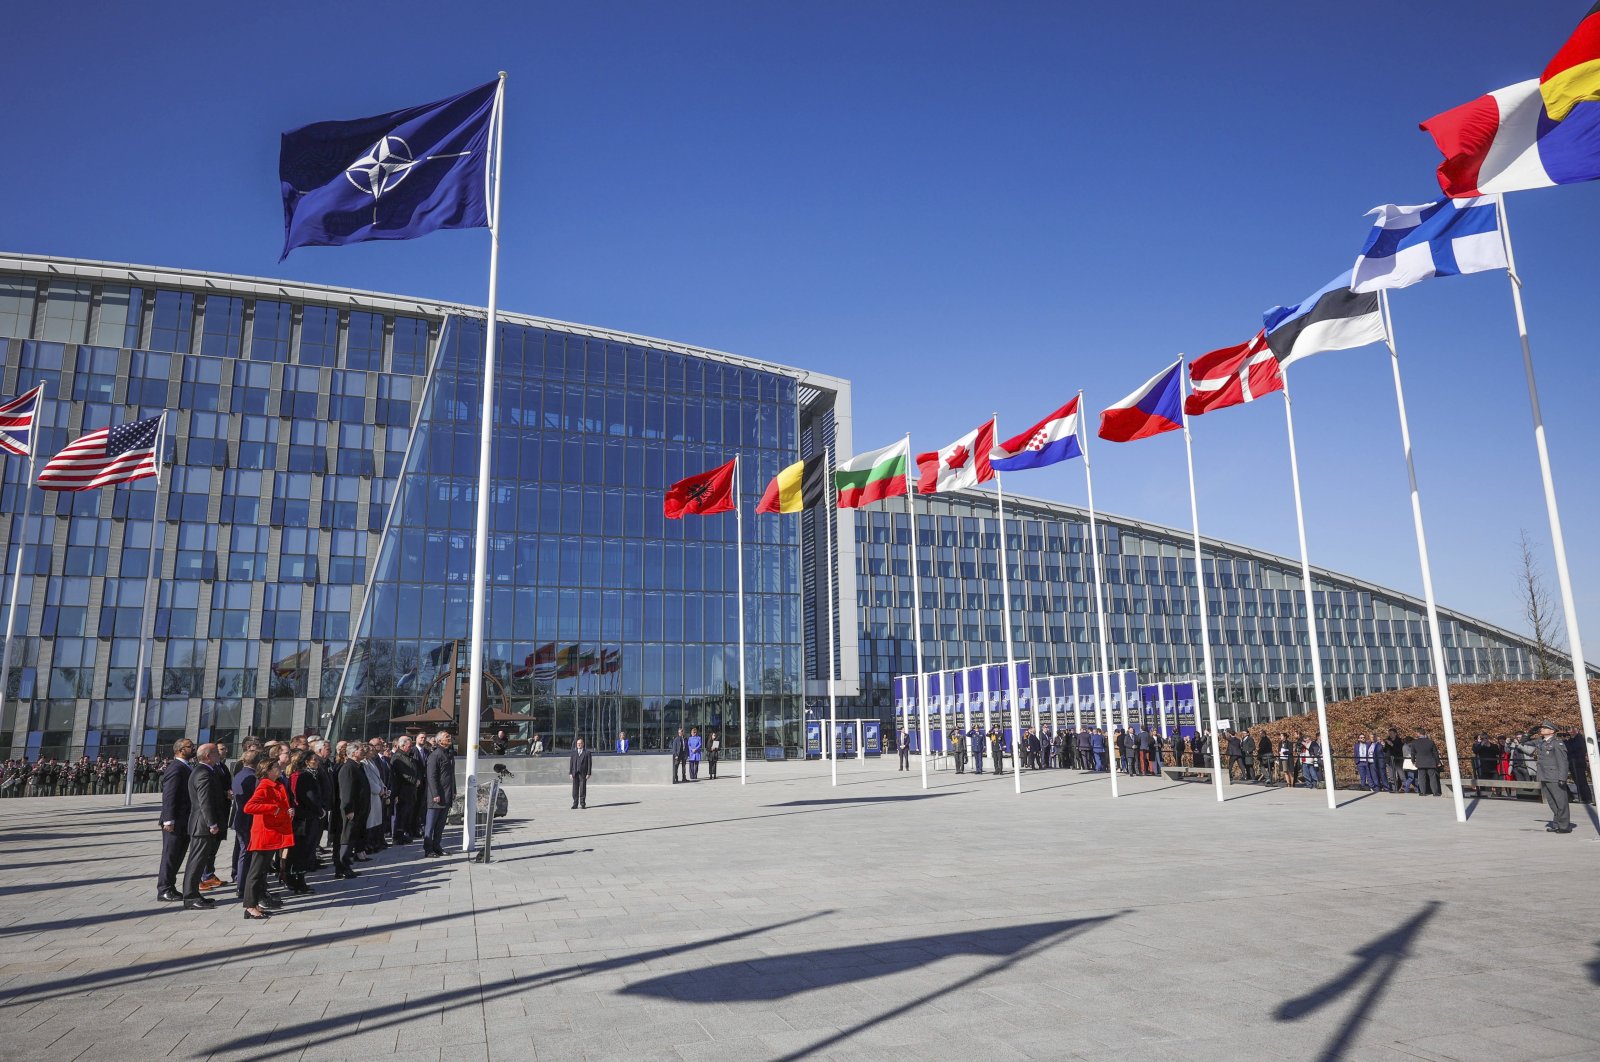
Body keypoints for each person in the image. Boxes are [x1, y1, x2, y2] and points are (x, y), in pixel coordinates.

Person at [241, 757, 294, 920]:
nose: (280, 768)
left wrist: (287, 811)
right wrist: (274, 809)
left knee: (262, 871)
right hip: (264, 834)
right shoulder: (264, 785)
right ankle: (250, 906)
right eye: (276, 767)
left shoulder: (276, 784)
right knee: (256, 872)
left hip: (272, 833)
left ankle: (255, 904)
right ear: (268, 770)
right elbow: (249, 807)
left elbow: (280, 805)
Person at [181, 743, 228, 910]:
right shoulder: (202, 773)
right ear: (207, 756)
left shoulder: (207, 771)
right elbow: (204, 801)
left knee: (199, 861)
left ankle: (194, 894)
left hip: (203, 824)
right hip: (202, 824)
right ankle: (190, 897)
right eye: (215, 752)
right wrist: (212, 823)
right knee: (196, 861)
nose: (219, 755)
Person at [156, 739, 195, 903]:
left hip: (183, 820)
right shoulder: (176, 768)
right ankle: (164, 889)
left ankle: (170, 887)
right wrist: (168, 820)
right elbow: (169, 795)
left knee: (178, 856)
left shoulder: (186, 766)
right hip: (174, 821)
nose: (193, 749)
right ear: (179, 750)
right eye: (189, 747)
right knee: (170, 856)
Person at [336, 743, 371, 876]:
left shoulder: (357, 766)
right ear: (353, 752)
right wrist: (348, 809)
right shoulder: (348, 768)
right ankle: (343, 867)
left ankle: (346, 866)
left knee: (352, 838)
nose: (363, 752)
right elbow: (346, 791)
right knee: (347, 838)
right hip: (351, 811)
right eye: (361, 750)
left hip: (360, 809)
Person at [1533, 721, 1572, 833]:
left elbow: (1563, 762)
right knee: (1552, 802)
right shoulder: (1541, 742)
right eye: (1542, 728)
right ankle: (1556, 824)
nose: (1542, 729)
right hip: (1544, 776)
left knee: (1561, 802)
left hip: (1555, 776)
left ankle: (1564, 826)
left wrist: (1562, 778)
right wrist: (1528, 735)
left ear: (1552, 731)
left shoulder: (1557, 743)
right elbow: (1525, 743)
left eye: (1545, 728)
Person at [423, 730, 456, 857]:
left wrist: (453, 791)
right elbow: (431, 777)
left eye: (449, 736)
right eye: (446, 737)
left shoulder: (448, 754)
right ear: (439, 740)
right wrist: (435, 793)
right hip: (436, 797)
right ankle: (428, 849)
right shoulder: (435, 755)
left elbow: (451, 776)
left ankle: (437, 846)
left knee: (440, 825)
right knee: (430, 825)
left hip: (447, 795)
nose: (449, 738)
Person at [390, 736, 421, 844]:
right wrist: (414, 781)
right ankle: (397, 836)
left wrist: (417, 779)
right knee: (401, 814)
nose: (411, 748)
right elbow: (403, 773)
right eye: (409, 746)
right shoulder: (398, 757)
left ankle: (403, 834)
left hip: (410, 791)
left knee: (407, 814)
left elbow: (414, 770)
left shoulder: (408, 756)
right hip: (402, 791)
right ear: (402, 746)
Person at [1412, 728, 1441, 797]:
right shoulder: (1430, 742)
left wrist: (1413, 761)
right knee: (1432, 777)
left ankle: (1422, 792)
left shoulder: (1414, 742)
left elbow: (1412, 753)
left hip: (1420, 761)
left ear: (1419, 733)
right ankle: (1435, 792)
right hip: (1430, 761)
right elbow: (1435, 753)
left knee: (1421, 777)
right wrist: (1438, 761)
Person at [569, 737, 592, 809]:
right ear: (576, 744)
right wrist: (570, 773)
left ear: (583, 744)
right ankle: (575, 804)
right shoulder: (573, 753)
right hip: (575, 773)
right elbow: (571, 763)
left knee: (582, 789)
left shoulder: (587, 753)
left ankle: (582, 804)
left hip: (583, 774)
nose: (579, 745)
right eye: (578, 743)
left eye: (580, 743)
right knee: (575, 789)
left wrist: (588, 773)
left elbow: (589, 764)